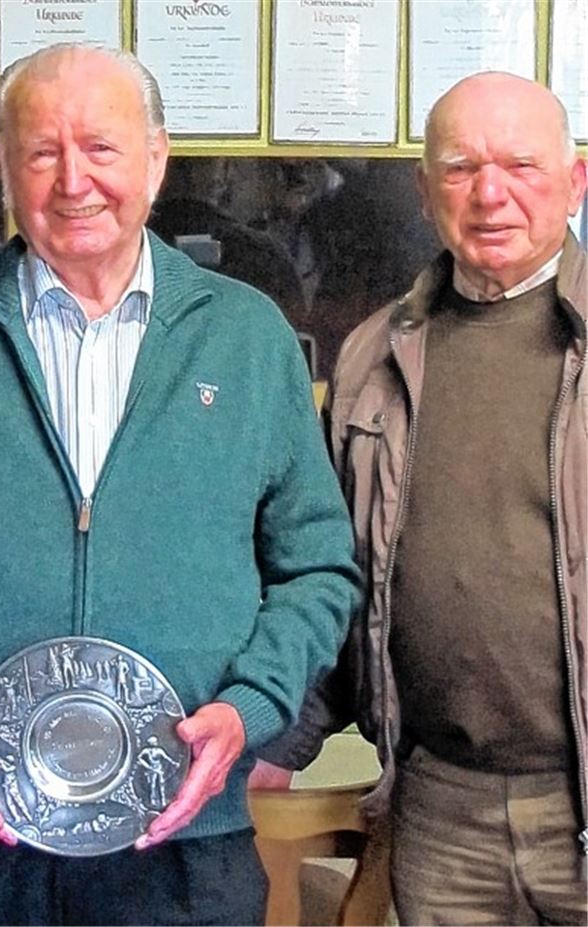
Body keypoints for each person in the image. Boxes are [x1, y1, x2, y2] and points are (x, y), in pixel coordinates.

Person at [0, 43, 359, 925]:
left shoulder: (246, 339)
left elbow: (318, 569)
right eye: (41, 152)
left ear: (157, 158)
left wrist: (252, 707)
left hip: (182, 839)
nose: (74, 181)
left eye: (101, 148)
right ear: (1, 169)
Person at [256, 72, 588, 924]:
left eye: (521, 164)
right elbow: (337, 575)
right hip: (442, 804)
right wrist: (280, 740)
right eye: (460, 167)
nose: (491, 193)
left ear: (575, 180)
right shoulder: (373, 358)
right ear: (422, 189)